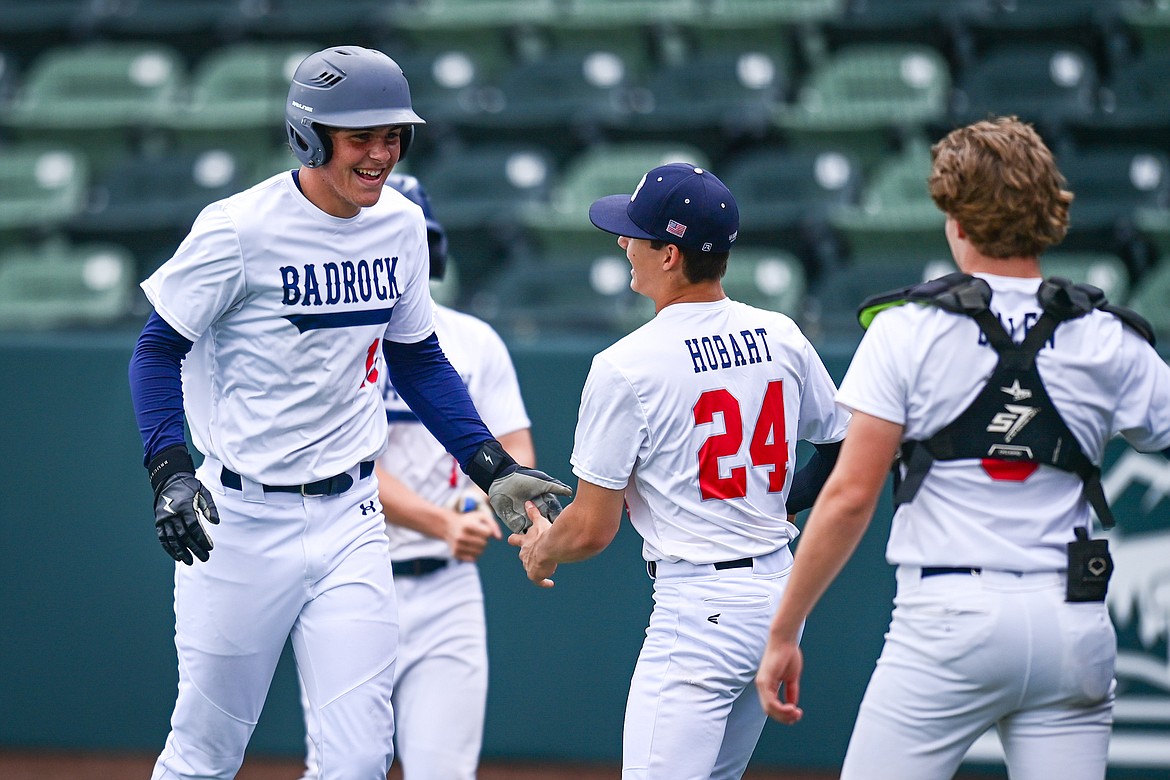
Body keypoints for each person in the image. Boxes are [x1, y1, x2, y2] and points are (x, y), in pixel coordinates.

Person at [127, 45, 569, 780]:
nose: (381, 153)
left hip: (353, 519)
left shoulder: (399, 226)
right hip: (240, 521)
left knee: (362, 760)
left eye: (393, 135)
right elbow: (154, 351)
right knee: (206, 752)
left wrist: (491, 465)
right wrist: (169, 469)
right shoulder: (238, 228)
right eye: (360, 136)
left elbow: (419, 358)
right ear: (308, 135)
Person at [755, 115, 1170, 780]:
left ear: (955, 215)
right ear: (1049, 213)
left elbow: (850, 497)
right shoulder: (1106, 336)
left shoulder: (906, 332)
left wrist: (783, 631)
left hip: (949, 621)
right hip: (1072, 622)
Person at [510, 163, 851, 779]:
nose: (623, 243)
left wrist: (542, 549)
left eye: (635, 234)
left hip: (699, 612)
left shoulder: (626, 365)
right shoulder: (782, 334)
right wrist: (786, 504)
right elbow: (841, 447)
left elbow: (591, 528)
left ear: (669, 255)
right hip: (779, 603)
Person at [298, 172, 533, 780]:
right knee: (343, 771)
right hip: (349, 577)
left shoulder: (475, 341)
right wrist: (441, 521)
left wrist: (496, 516)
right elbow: (347, 468)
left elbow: (511, 447)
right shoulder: (332, 340)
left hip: (448, 589)